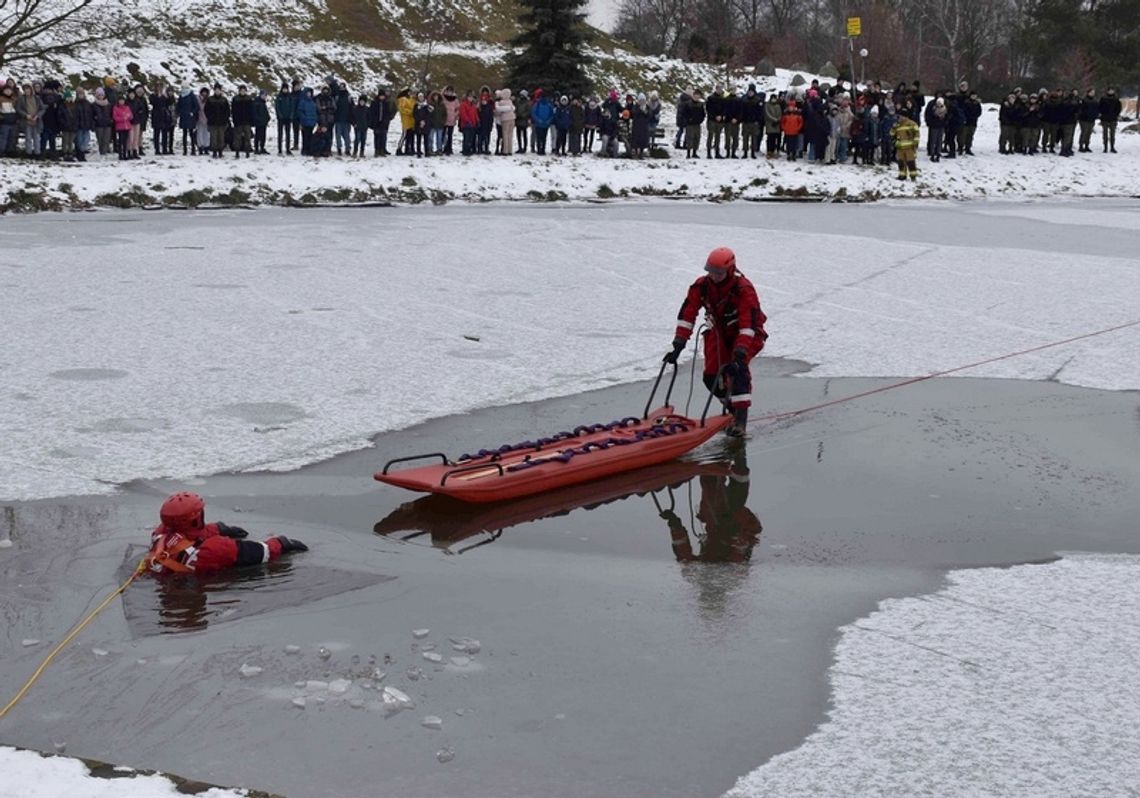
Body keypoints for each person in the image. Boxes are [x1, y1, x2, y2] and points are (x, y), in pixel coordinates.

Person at [663, 247, 768, 438]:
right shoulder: (701, 286)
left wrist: (741, 350)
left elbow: (748, 323)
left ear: (729, 270)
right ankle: (732, 412)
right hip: (718, 333)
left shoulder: (743, 289)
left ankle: (741, 422)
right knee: (711, 377)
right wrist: (678, 344)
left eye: (718, 273)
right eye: (710, 271)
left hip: (746, 334)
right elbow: (687, 315)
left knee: (737, 373)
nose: (713, 276)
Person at [145, 492, 307, 576]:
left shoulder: (160, 533)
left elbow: (191, 533)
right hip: (186, 586)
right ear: (195, 519)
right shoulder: (212, 550)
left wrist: (220, 528)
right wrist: (282, 543)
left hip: (164, 579)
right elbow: (260, 552)